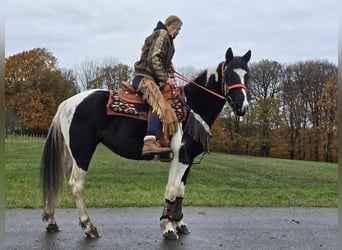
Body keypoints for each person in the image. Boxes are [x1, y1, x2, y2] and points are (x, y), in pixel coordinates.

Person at [132, 15, 183, 156]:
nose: (178, 32)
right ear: (168, 25)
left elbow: (159, 59)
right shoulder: (162, 34)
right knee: (160, 104)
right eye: (177, 28)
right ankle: (149, 143)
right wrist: (166, 79)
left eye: (179, 29)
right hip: (144, 78)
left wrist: (169, 68)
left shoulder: (164, 36)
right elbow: (155, 57)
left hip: (151, 79)